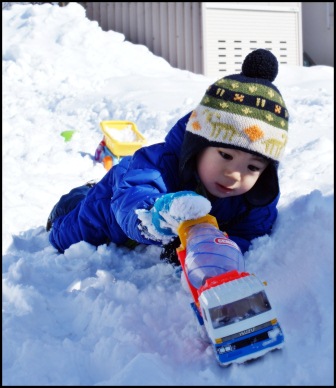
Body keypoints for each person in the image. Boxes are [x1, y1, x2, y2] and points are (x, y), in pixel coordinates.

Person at [46, 49, 289, 265]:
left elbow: (249, 234)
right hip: (112, 203)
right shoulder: (160, 164)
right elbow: (134, 198)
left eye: (253, 167)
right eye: (225, 155)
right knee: (67, 237)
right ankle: (75, 197)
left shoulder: (254, 199)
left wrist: (216, 249)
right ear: (197, 144)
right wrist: (159, 215)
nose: (235, 174)